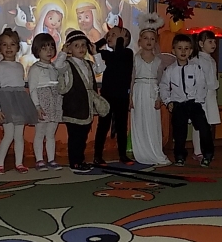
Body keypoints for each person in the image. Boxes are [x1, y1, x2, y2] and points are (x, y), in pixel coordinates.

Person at [56, 29, 106, 172]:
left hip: (86, 107)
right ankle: (75, 163)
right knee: (75, 137)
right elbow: (56, 67)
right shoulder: (67, 64)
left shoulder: (88, 64)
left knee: (83, 136)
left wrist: (95, 53)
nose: (81, 48)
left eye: (83, 45)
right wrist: (63, 52)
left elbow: (100, 68)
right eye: (76, 45)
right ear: (69, 48)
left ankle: (80, 160)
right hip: (73, 107)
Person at [160, 33, 213, 167]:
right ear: (173, 51)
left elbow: (201, 84)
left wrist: (198, 101)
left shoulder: (196, 68)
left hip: (194, 103)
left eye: (186, 48)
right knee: (179, 133)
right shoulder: (170, 70)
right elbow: (164, 86)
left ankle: (207, 155)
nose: (183, 51)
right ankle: (179, 156)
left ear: (190, 51)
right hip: (178, 105)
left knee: (204, 128)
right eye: (180, 48)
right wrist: (168, 101)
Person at [0, 29, 37, 174]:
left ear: (18, 47)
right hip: (6, 103)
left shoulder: (19, 66)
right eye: (4, 44)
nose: (8, 48)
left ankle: (19, 163)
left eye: (12, 44)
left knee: (19, 135)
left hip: (19, 102)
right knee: (9, 134)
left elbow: (21, 86)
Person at [130, 13, 169, 166]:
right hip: (139, 92)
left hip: (152, 93)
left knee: (152, 123)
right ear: (140, 41)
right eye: (145, 38)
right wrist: (130, 98)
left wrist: (159, 97)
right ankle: (141, 152)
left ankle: (154, 151)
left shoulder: (159, 61)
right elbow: (132, 79)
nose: (149, 41)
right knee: (139, 121)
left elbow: (161, 81)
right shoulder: (135, 59)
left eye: (152, 39)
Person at [93, 25, 134, 165]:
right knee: (103, 126)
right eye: (109, 35)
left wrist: (120, 40)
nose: (110, 37)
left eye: (114, 35)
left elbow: (119, 55)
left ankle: (122, 155)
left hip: (122, 97)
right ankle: (97, 156)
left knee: (122, 127)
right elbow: (94, 49)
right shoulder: (109, 55)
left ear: (124, 39)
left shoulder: (127, 53)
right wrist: (104, 39)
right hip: (107, 96)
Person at [28, 33, 63, 171]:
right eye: (44, 48)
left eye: (51, 47)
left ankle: (51, 159)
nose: (49, 51)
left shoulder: (54, 67)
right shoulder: (35, 68)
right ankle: (39, 160)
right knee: (40, 132)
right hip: (42, 104)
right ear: (37, 50)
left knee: (51, 133)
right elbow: (32, 89)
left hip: (55, 102)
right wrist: (37, 106)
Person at [191, 30, 220, 161]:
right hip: (200, 97)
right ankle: (197, 151)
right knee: (198, 124)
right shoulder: (196, 60)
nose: (213, 44)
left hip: (210, 96)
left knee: (207, 124)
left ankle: (206, 149)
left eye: (214, 41)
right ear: (201, 44)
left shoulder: (211, 60)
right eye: (210, 41)